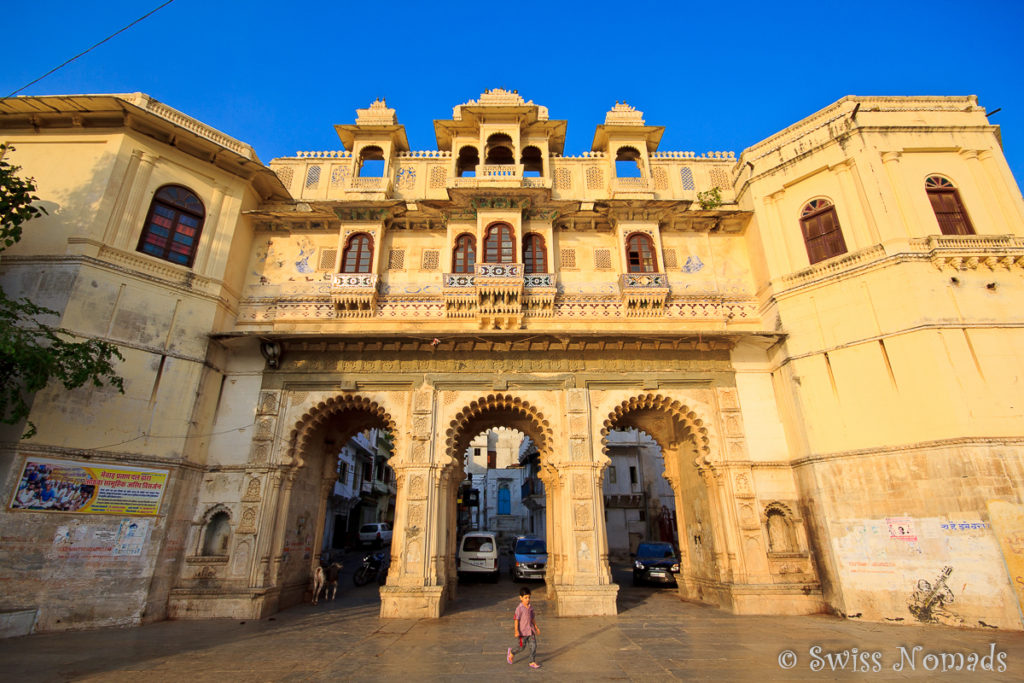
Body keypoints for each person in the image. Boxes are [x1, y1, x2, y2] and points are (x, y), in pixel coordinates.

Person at [506, 586, 541, 669]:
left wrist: (536, 627)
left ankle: (532, 661)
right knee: (521, 647)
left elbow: (532, 618)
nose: (527, 599)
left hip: (530, 631)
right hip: (522, 633)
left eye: (529, 597)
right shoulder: (519, 609)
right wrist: (516, 631)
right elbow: (516, 620)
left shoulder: (531, 608)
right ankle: (511, 652)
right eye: (525, 598)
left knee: (533, 646)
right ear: (521, 598)